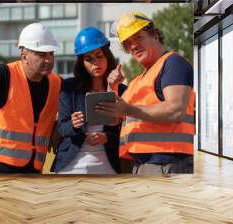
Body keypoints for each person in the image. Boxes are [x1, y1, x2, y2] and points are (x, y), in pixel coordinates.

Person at [95, 12, 195, 175]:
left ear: (154, 35)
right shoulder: (136, 81)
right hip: (143, 165)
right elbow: (112, 120)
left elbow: (176, 110)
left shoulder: (173, 63)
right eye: (127, 43)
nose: (132, 46)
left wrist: (128, 109)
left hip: (169, 163)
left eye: (138, 37)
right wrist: (111, 87)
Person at [0, 23, 62, 173]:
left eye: (51, 54)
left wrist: (57, 126)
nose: (49, 60)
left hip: (33, 168)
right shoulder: (2, 75)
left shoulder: (56, 83)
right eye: (41, 54)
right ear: (24, 57)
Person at [50, 27, 127, 174]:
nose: (95, 63)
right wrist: (72, 124)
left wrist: (107, 138)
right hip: (70, 165)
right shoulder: (69, 87)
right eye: (89, 59)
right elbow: (62, 128)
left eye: (99, 56)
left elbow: (126, 132)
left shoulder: (121, 90)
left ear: (107, 56)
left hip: (106, 166)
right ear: (82, 62)